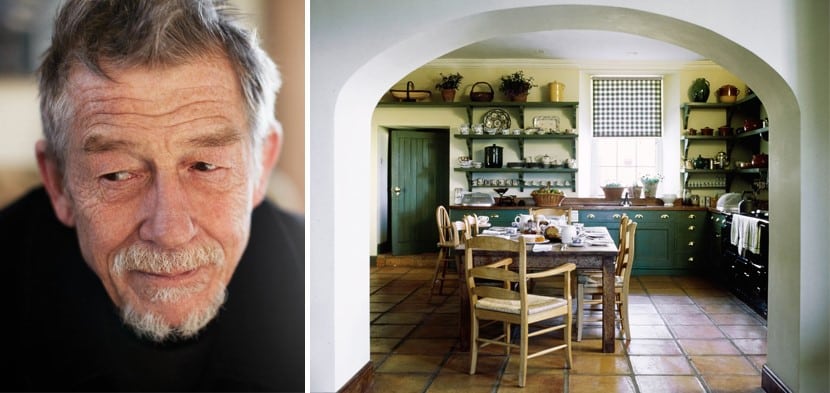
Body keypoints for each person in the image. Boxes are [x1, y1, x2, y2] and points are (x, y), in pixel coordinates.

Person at [0, 0, 304, 391]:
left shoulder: (320, 281)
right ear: (59, 184)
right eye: (117, 174)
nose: (170, 230)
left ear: (261, 165)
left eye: (205, 167)